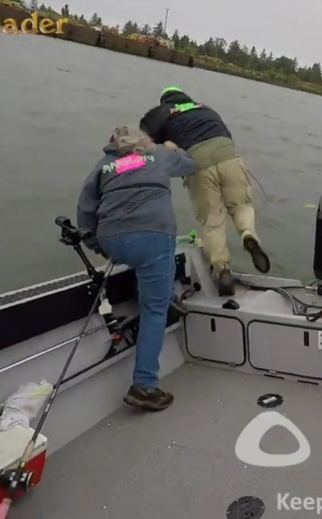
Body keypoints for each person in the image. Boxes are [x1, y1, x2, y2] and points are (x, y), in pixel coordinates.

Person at [77, 125, 198, 412]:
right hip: (153, 237)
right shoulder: (158, 156)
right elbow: (192, 164)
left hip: (113, 240)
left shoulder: (104, 165)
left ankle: (166, 298)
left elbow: (84, 210)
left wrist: (98, 245)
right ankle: (144, 386)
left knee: (150, 268)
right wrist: (172, 148)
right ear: (143, 142)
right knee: (154, 309)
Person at [139, 86, 270, 297]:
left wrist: (164, 144)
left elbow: (143, 134)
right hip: (228, 154)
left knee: (212, 219)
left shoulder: (162, 113)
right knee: (241, 205)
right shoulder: (205, 108)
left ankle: (221, 269)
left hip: (197, 160)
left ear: (165, 101)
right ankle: (248, 234)